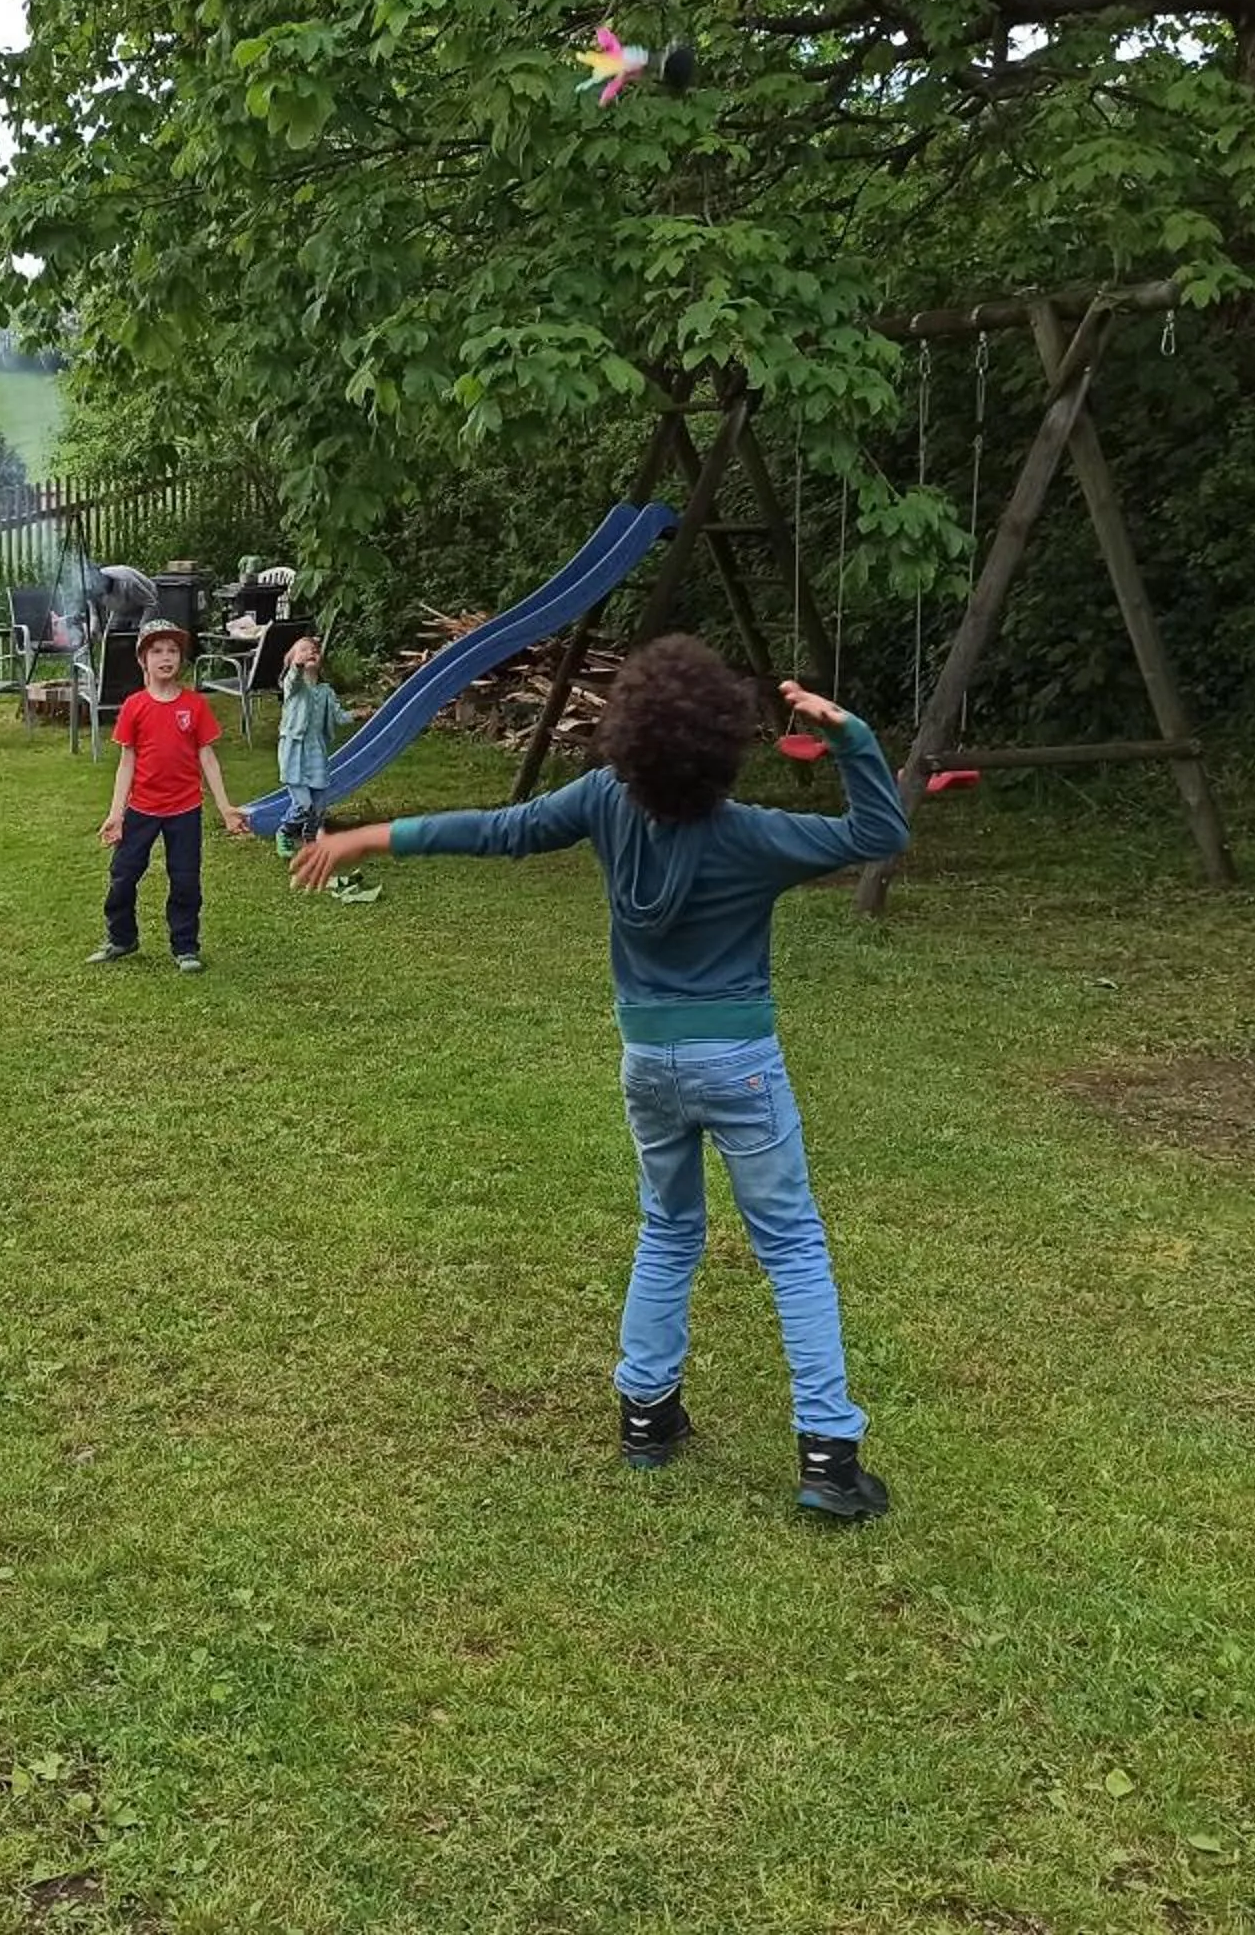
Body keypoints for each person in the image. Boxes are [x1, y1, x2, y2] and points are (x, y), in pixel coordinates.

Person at [290, 635, 910, 1517]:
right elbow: (881, 833)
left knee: (668, 1229)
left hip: (646, 1062)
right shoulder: (758, 836)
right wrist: (848, 738)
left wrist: (368, 837)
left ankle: (648, 1418)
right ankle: (828, 1460)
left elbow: (500, 833)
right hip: (738, 1065)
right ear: (727, 743)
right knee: (793, 1247)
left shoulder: (604, 802)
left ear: (627, 738)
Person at [91, 620, 249, 973]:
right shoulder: (134, 706)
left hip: (185, 811)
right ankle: (122, 938)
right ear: (143, 661)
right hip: (142, 809)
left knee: (185, 880)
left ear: (181, 659)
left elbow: (207, 758)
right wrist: (116, 814)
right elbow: (126, 763)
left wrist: (225, 808)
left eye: (173, 651)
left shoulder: (194, 706)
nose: (166, 657)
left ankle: (185, 947)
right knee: (123, 875)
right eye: (157, 651)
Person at [273, 634, 362, 856]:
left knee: (320, 806)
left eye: (314, 650)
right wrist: (297, 666)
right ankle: (284, 832)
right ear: (291, 660)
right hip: (294, 750)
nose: (310, 652)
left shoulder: (325, 692)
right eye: (302, 649)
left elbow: (338, 717)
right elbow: (293, 678)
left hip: (316, 751)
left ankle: (310, 839)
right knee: (304, 804)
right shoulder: (293, 687)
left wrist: (358, 714)